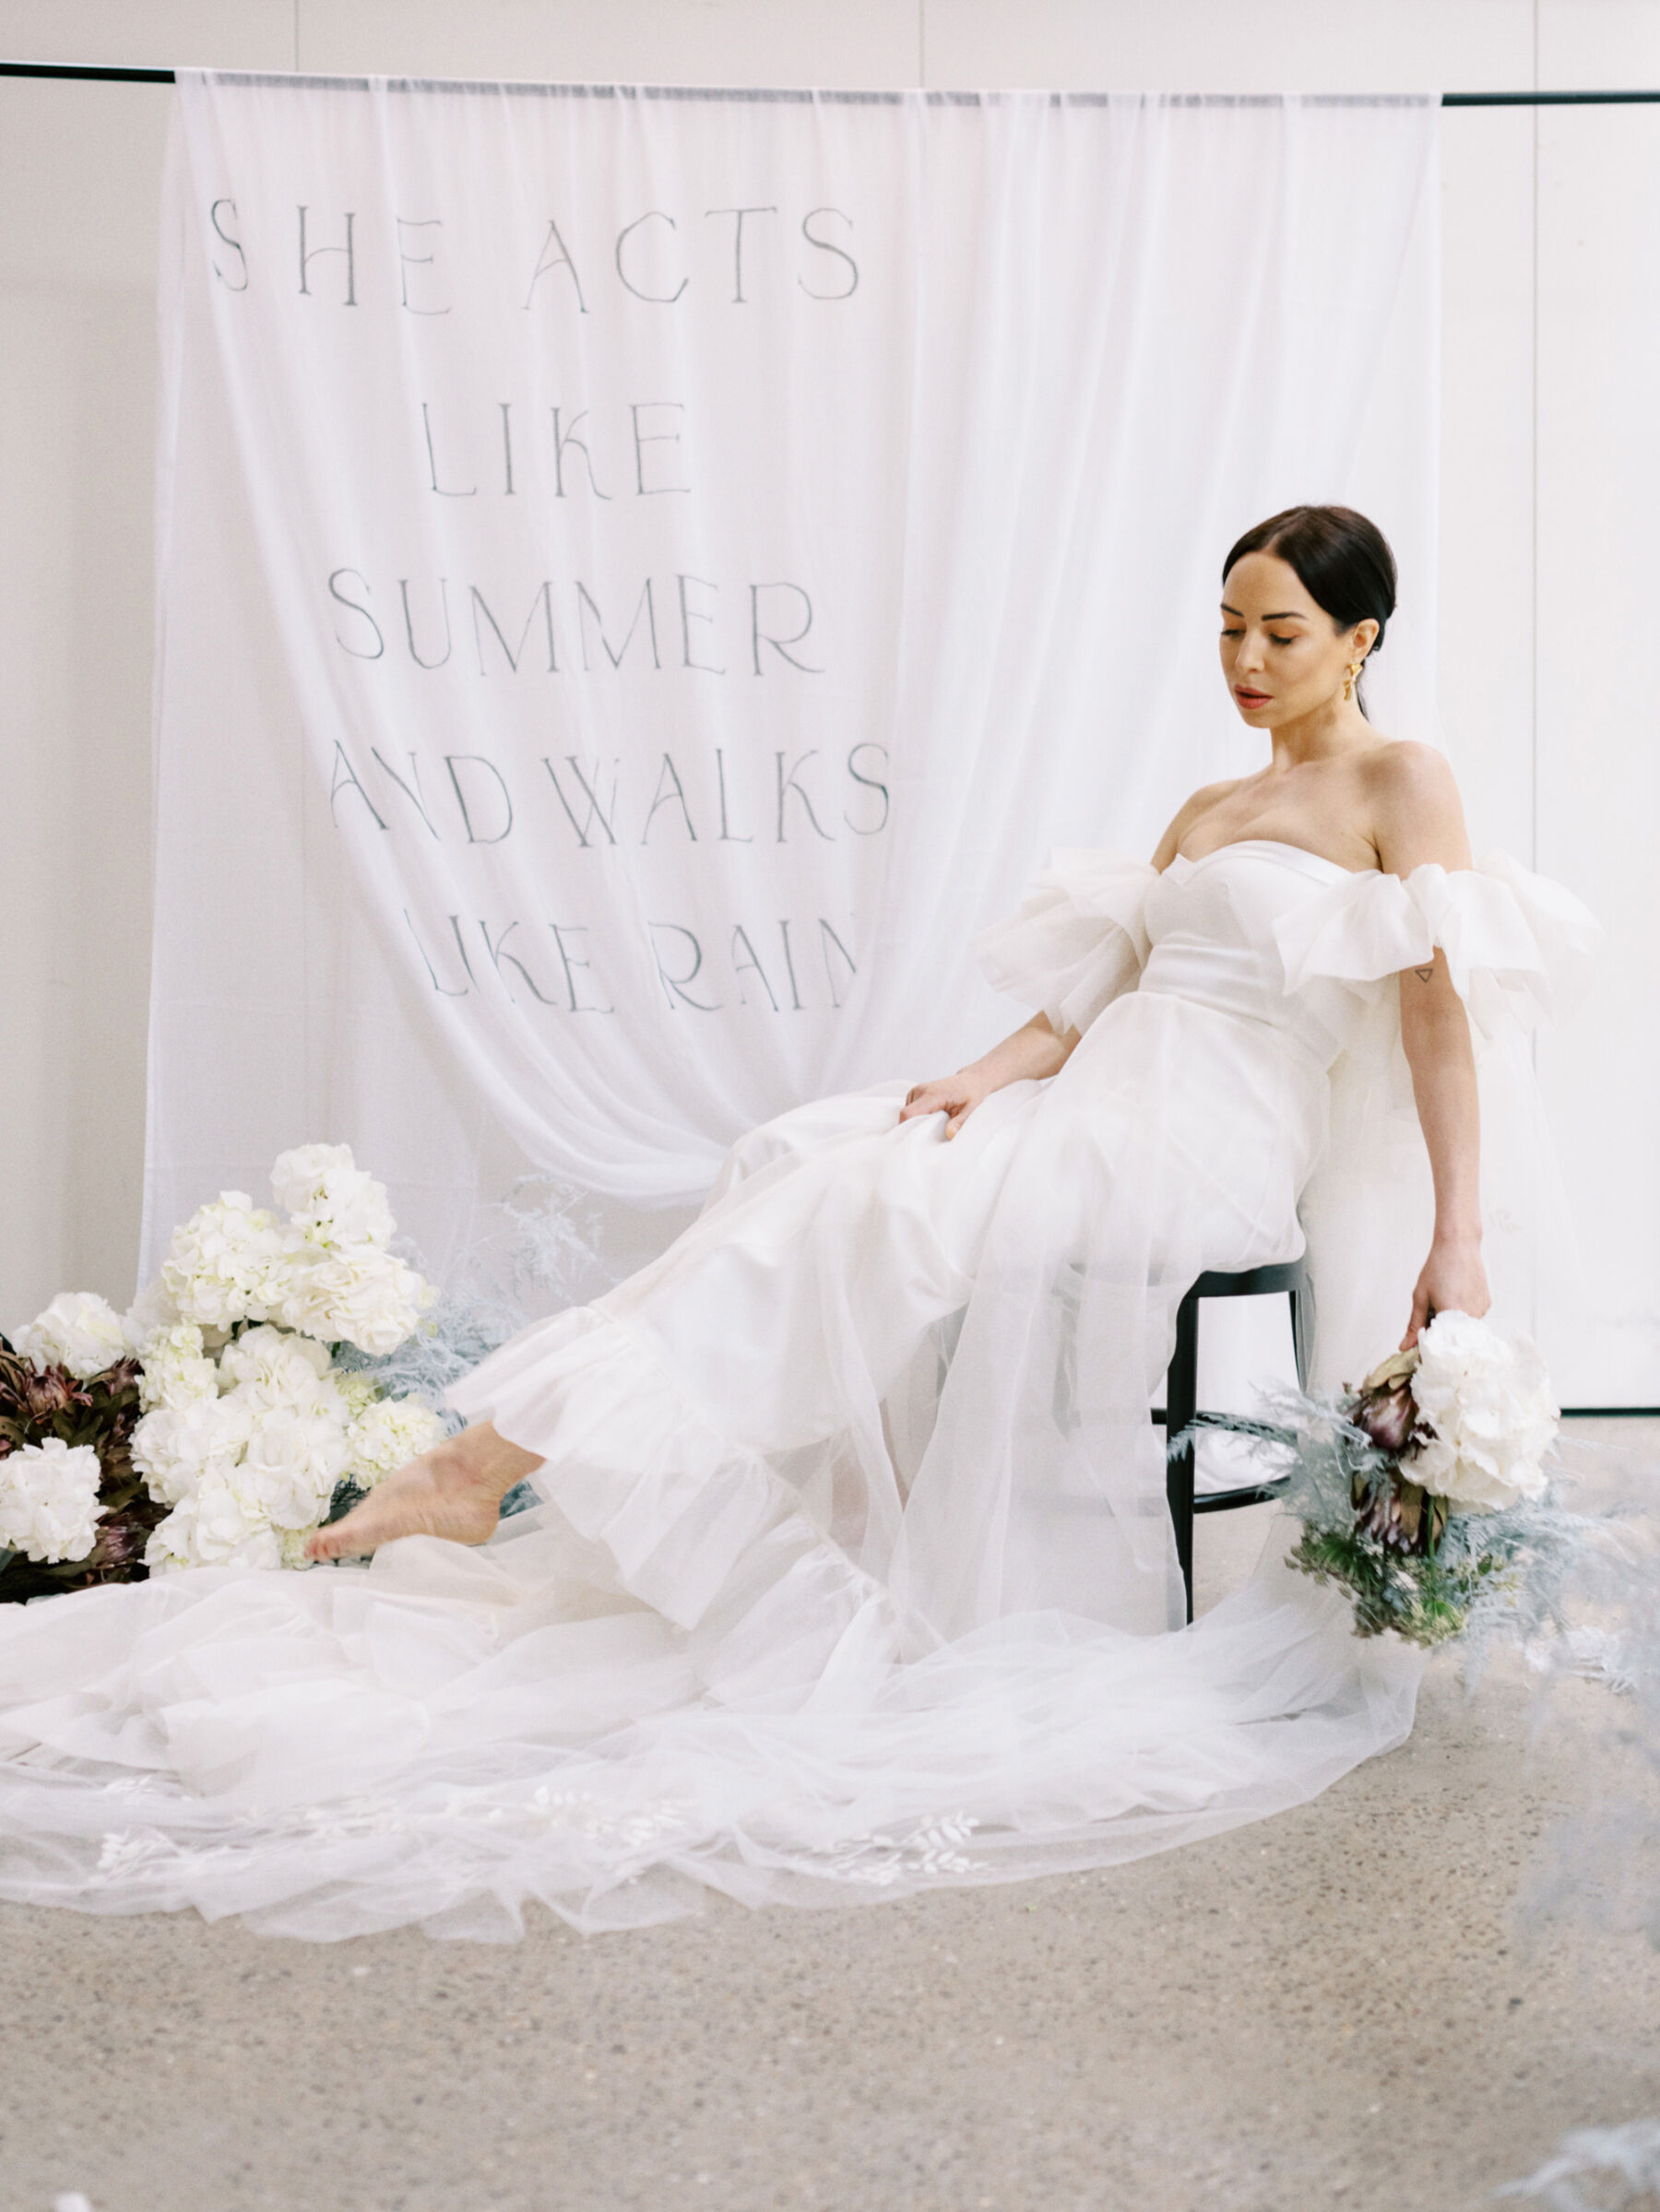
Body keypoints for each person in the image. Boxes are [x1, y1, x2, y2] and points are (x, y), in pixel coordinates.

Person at [0, 507, 1598, 1940]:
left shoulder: (1402, 782)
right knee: (822, 1158)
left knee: (876, 1212)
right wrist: (976, 1076)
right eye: (1229, 628)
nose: (1246, 661)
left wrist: (1453, 1242)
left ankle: (486, 1463)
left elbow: (1440, 1017)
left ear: (1362, 637)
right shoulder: (1202, 804)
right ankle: (493, 1462)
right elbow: (1096, 997)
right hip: (1109, 1084)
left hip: (1221, 1128)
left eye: (1283, 632)